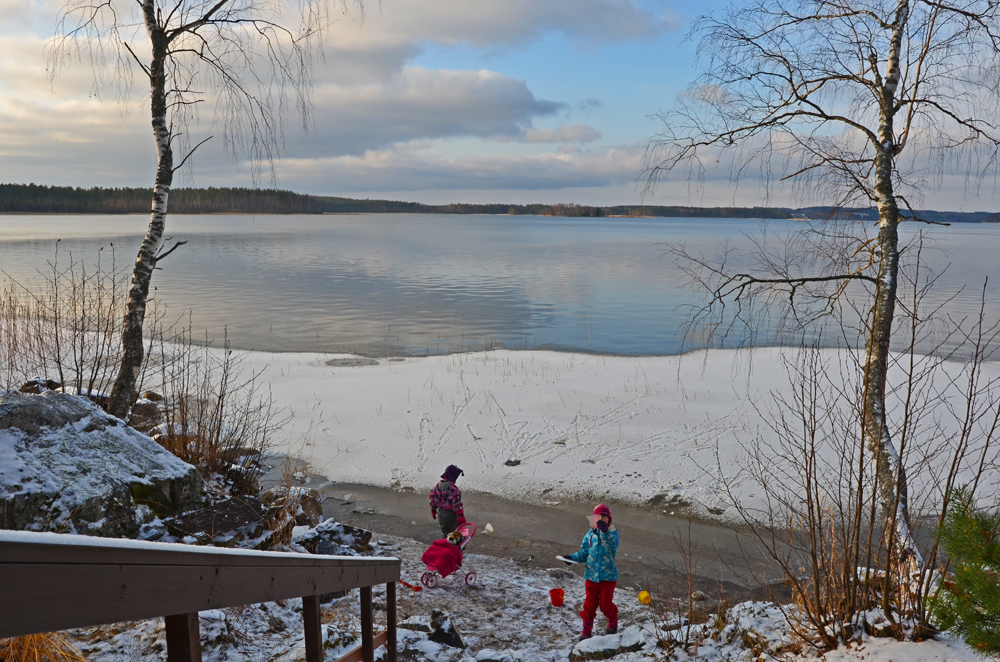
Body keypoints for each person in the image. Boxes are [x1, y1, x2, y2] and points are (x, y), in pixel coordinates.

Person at [557, 504, 619, 640]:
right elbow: (584, 552)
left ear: (609, 519)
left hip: (608, 577)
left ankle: (613, 619)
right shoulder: (590, 534)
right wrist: (572, 558)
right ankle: (586, 631)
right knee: (589, 605)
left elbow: (612, 545)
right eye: (598, 517)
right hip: (591, 576)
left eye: (604, 517)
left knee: (605, 605)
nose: (601, 519)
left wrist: (605, 532)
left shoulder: (612, 533)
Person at [429, 464, 466, 536]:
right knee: (456, 534)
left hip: (441, 514)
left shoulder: (436, 487)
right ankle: (456, 547)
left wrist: (433, 510)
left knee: (445, 533)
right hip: (451, 514)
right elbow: (456, 504)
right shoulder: (454, 489)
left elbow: (433, 499)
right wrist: (461, 515)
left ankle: (445, 545)